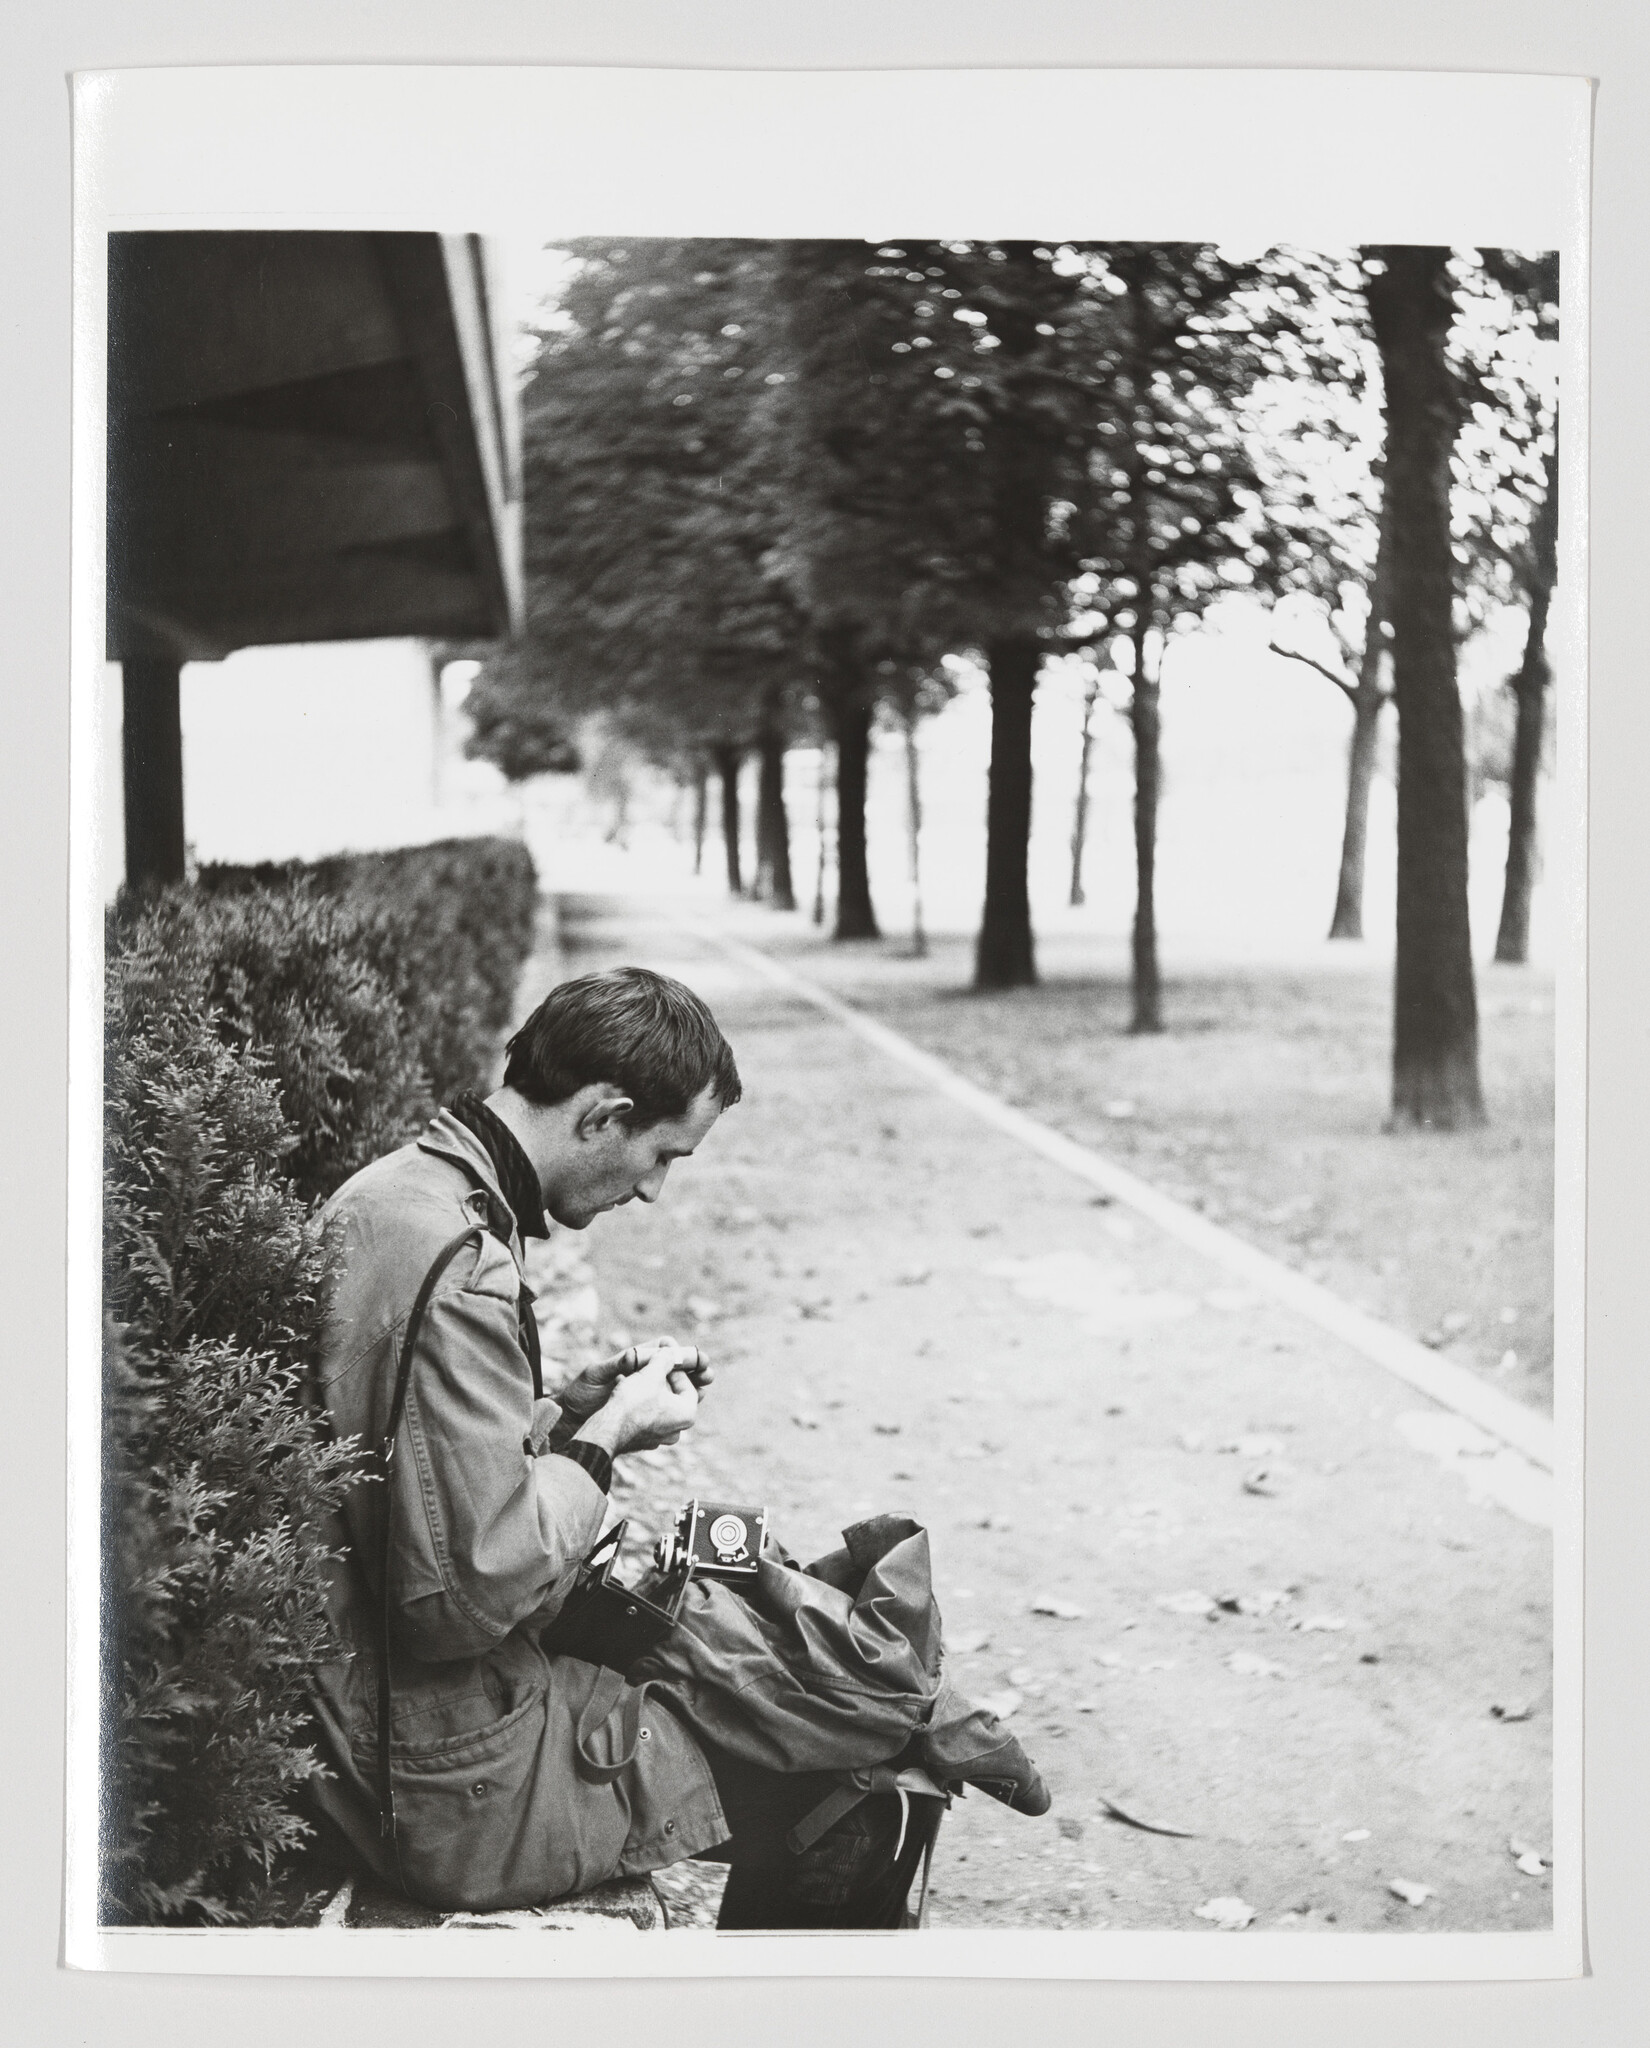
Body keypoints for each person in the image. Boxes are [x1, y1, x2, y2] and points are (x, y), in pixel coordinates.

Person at [304, 965, 956, 1926]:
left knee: (780, 1691)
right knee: (859, 1780)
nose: (652, 1190)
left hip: (388, 1713)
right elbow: (464, 1596)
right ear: (602, 1115)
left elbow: (410, 1472)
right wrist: (607, 1440)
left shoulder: (405, 1193)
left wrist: (564, 1410)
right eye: (662, 1156)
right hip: (443, 1777)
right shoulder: (460, 1266)